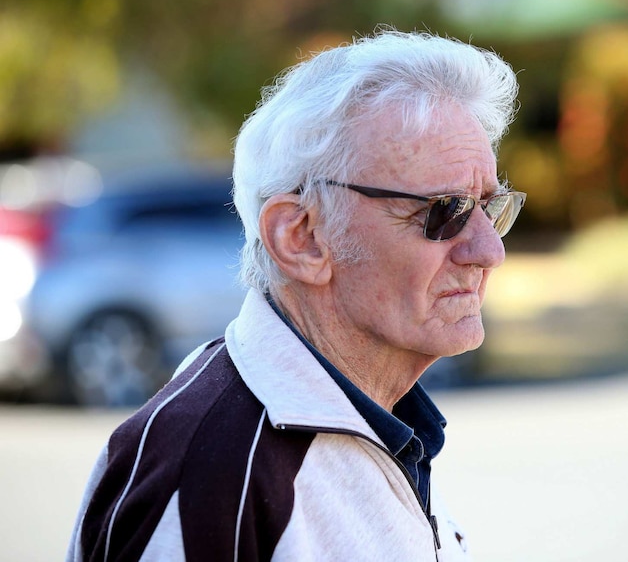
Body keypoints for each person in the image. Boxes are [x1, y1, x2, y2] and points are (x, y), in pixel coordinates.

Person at [67, 28, 525, 562]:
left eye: (490, 208)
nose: (490, 251)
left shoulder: (373, 415)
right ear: (301, 237)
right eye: (445, 212)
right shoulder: (211, 472)